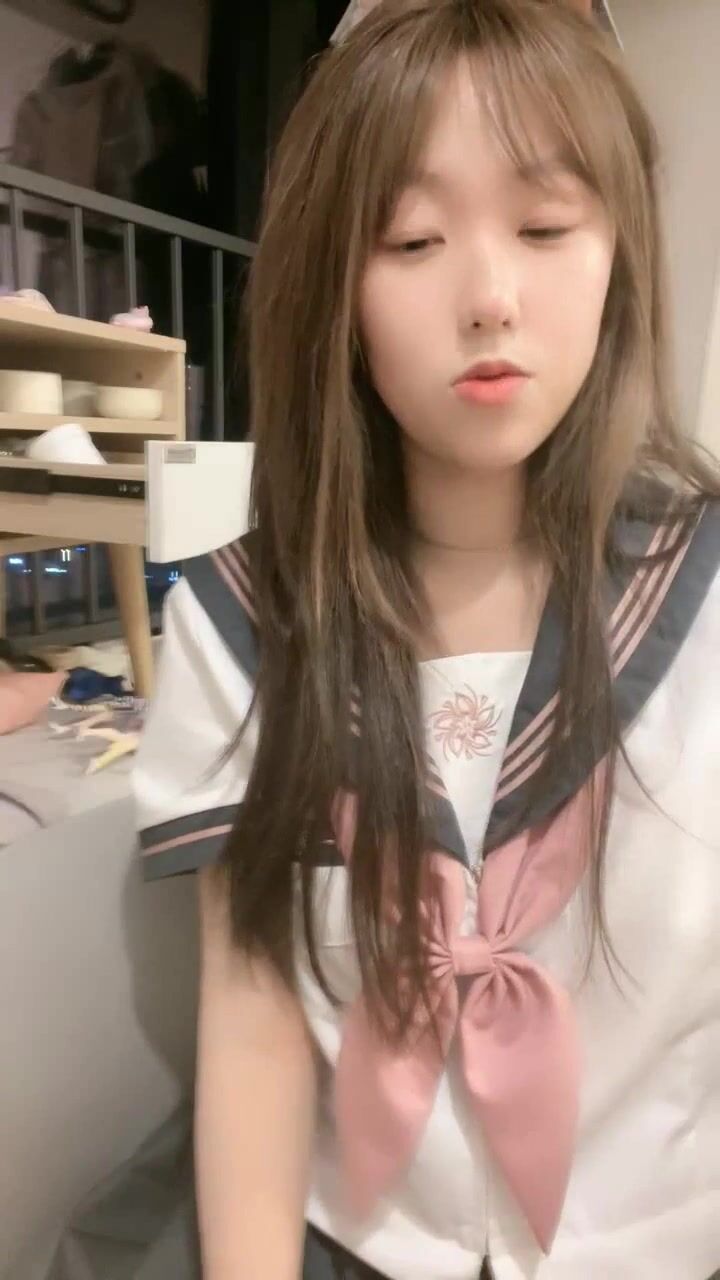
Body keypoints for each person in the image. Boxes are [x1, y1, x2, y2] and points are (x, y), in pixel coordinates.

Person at [133, 1, 720, 1277]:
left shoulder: (705, 600)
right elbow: (254, 1031)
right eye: (411, 237)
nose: (491, 297)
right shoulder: (241, 627)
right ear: (335, 287)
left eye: (546, 225)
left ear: (619, 252)